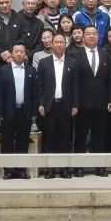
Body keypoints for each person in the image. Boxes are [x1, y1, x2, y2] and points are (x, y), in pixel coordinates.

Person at [36, 32, 80, 179]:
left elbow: (76, 86)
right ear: (52, 44)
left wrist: (76, 104)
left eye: (62, 42)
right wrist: (40, 103)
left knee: (65, 138)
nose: (59, 45)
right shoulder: (44, 62)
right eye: (56, 42)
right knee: (49, 138)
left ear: (65, 44)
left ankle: (64, 169)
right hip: (50, 106)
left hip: (66, 106)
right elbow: (39, 86)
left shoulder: (73, 62)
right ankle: (49, 169)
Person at [73, 25, 111, 177]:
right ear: (83, 37)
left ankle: (100, 166)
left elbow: (109, 80)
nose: (91, 36)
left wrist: (110, 99)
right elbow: (73, 82)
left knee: (100, 135)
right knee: (80, 136)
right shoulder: (75, 55)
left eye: (94, 34)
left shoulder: (106, 55)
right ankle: (78, 167)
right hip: (82, 103)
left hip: (101, 102)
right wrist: (75, 103)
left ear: (98, 37)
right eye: (88, 34)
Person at [0, 42, 36, 180]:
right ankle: (8, 170)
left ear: (25, 54)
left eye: (21, 51)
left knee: (23, 142)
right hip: (8, 112)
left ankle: (21, 170)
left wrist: (33, 112)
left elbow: (34, 93)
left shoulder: (31, 70)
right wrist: (0, 113)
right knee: (7, 142)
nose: (18, 53)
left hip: (25, 111)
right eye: (16, 51)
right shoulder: (2, 70)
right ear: (11, 53)